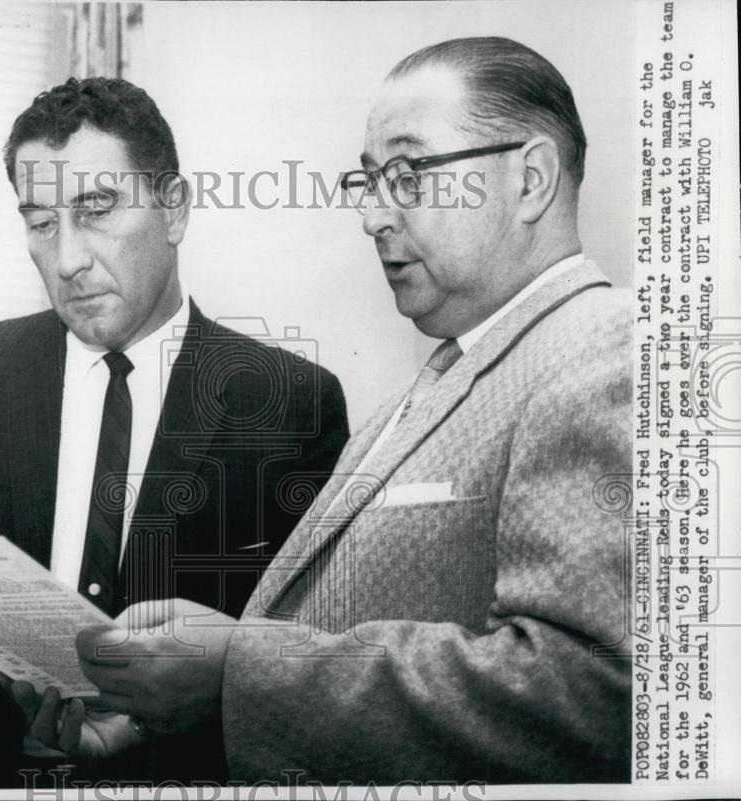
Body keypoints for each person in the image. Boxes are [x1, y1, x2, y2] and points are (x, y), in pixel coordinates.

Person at [75, 37, 633, 784]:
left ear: (530, 179)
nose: (372, 215)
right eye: (367, 182)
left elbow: (593, 691)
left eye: (406, 176)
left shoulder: (607, 346)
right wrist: (172, 715)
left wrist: (237, 673)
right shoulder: (431, 383)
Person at [0, 77, 349, 789]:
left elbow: (300, 662)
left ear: (174, 209)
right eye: (41, 222)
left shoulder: (291, 400)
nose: (68, 259)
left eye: (96, 209)